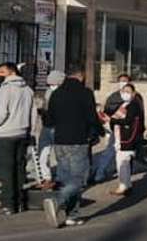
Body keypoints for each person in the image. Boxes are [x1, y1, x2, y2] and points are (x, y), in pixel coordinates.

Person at [41, 65, 102, 228]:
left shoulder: (56, 94)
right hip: (78, 140)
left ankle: (72, 215)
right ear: (81, 76)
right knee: (79, 179)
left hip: (59, 140)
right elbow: (91, 116)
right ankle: (58, 200)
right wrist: (98, 131)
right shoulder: (85, 93)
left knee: (66, 178)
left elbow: (49, 121)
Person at [0, 62, 34, 214]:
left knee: (6, 170)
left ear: (9, 72)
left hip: (6, 133)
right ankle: (20, 201)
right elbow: (32, 113)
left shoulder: (5, 89)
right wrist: (31, 130)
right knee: (19, 168)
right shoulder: (28, 89)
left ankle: (8, 204)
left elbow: (2, 113)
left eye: (1, 72)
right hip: (22, 132)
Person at [109, 83, 143, 196]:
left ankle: (123, 186)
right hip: (122, 136)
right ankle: (127, 185)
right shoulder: (125, 104)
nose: (125, 93)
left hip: (128, 137)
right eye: (123, 91)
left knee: (122, 163)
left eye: (128, 91)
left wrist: (114, 121)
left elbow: (128, 120)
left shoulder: (134, 105)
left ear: (133, 93)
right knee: (124, 163)